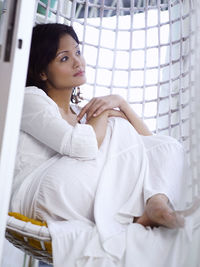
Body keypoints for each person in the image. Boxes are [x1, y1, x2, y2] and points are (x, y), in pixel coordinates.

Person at [10, 23, 199, 267]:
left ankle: (155, 204)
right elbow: (82, 146)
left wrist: (121, 103)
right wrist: (105, 115)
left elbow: (152, 145)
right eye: (64, 58)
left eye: (78, 52)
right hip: (41, 192)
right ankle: (145, 210)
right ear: (42, 72)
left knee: (171, 146)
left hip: (78, 191)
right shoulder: (30, 99)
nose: (78, 62)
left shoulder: (81, 112)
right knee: (116, 128)